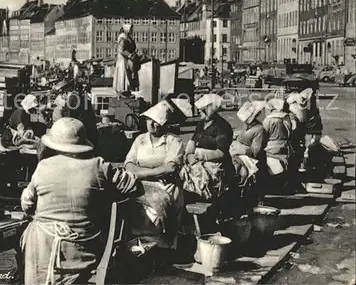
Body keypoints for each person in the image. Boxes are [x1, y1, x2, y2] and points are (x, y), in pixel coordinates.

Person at [20, 118, 140, 284]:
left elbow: (26, 204)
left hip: (44, 251)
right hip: (83, 249)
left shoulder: (43, 166)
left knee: (26, 235)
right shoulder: (99, 165)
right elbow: (134, 187)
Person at [124, 100, 184, 255]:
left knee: (155, 212)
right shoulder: (140, 140)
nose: (151, 124)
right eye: (149, 120)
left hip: (165, 186)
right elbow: (129, 164)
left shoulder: (173, 141)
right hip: (142, 184)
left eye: (155, 121)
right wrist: (155, 171)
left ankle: (163, 248)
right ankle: (139, 246)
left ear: (164, 124)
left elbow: (170, 168)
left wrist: (139, 172)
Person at [179, 94, 235, 215]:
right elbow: (192, 141)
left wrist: (199, 154)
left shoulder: (223, 127)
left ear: (210, 111)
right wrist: (189, 154)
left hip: (216, 165)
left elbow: (221, 153)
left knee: (199, 181)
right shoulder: (201, 124)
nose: (199, 112)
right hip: (196, 161)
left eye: (202, 110)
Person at [230, 101, 268, 210]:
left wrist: (240, 148)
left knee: (245, 178)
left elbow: (255, 151)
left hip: (253, 161)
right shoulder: (247, 126)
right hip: (241, 158)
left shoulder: (259, 129)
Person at [262, 98, 296, 192]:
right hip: (285, 146)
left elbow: (264, 135)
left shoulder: (268, 120)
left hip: (271, 148)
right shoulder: (286, 118)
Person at [113, 24, 140, 95]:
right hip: (123, 61)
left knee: (130, 77)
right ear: (126, 29)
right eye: (130, 29)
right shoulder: (123, 38)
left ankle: (128, 91)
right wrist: (130, 55)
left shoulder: (128, 38)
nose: (132, 31)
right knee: (125, 76)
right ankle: (124, 91)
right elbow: (121, 50)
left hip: (128, 61)